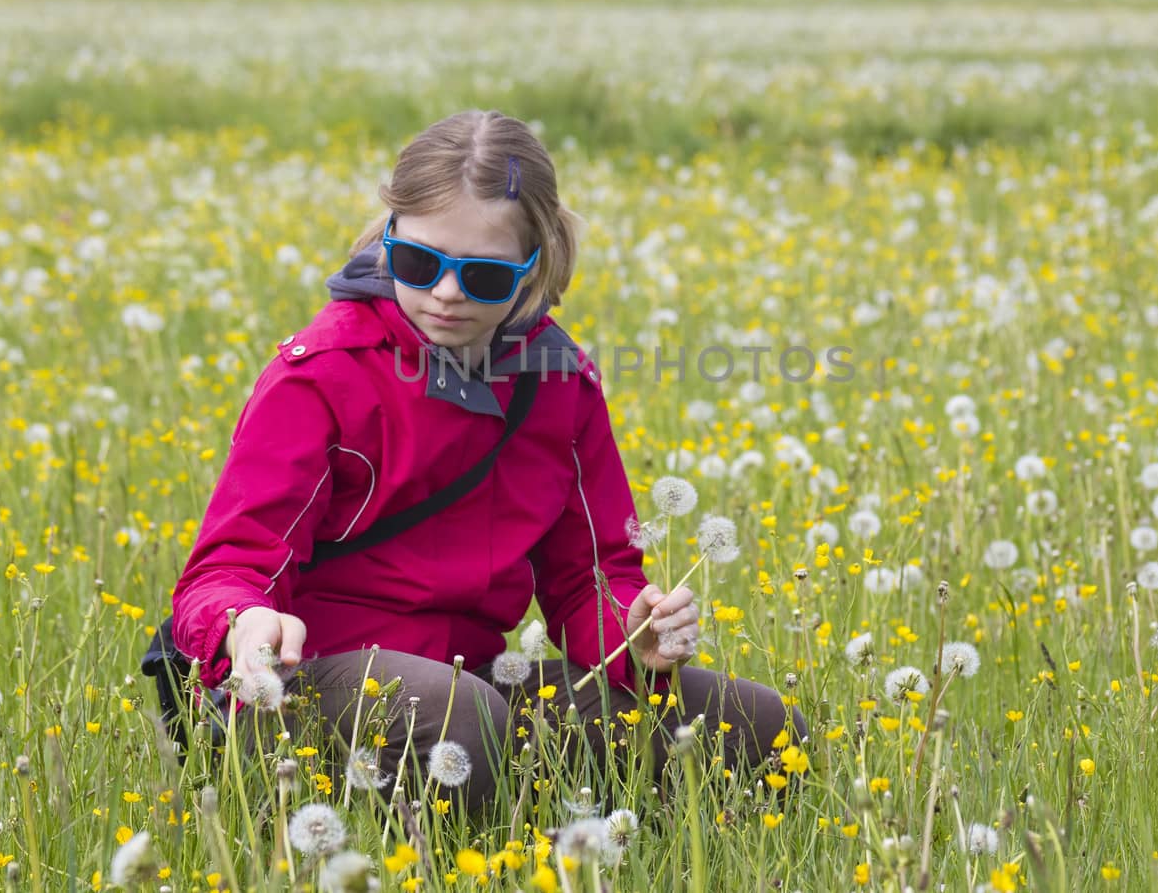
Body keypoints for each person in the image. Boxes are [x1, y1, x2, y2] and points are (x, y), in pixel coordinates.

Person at [169, 110, 804, 810]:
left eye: (484, 276)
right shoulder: (321, 374)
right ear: (387, 237)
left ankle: (548, 826)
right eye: (418, 262)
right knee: (464, 721)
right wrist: (242, 622)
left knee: (763, 728)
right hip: (301, 691)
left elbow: (588, 581)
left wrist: (633, 631)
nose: (446, 292)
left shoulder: (557, 382)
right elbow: (226, 568)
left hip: (469, 687)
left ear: (533, 265)